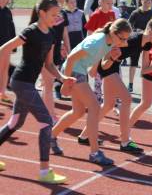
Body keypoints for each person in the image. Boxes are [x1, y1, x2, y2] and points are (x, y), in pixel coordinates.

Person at [0, 0, 75, 183]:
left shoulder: (50, 35)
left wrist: (63, 77)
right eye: (53, 14)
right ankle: (44, 172)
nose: (56, 18)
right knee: (46, 122)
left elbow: (49, 65)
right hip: (21, 81)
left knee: (15, 123)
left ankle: (44, 171)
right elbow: (5, 48)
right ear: (41, 13)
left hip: (27, 83)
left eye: (58, 14)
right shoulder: (31, 31)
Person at [51, 19, 132, 165]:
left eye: (126, 39)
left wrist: (113, 58)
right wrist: (65, 82)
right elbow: (70, 59)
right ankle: (95, 152)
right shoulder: (96, 42)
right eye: (122, 39)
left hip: (80, 71)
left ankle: (50, 136)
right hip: (73, 71)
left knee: (78, 111)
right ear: (114, 33)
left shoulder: (111, 41)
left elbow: (104, 65)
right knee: (94, 107)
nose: (124, 42)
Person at [79, 17, 152, 152]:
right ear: (149, 30)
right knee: (127, 98)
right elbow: (106, 52)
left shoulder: (148, 43)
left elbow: (144, 69)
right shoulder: (132, 39)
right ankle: (125, 141)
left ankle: (85, 135)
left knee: (108, 105)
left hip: (114, 66)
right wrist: (95, 67)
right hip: (107, 66)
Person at [85, 0, 116, 103]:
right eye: (108, 3)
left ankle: (113, 100)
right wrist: (90, 48)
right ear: (101, 2)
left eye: (112, 3)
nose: (111, 6)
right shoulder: (95, 15)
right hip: (98, 48)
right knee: (98, 74)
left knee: (110, 71)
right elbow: (89, 32)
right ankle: (97, 98)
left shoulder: (112, 13)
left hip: (109, 47)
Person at [127, 0, 152, 92]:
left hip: (148, 41)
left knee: (146, 62)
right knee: (133, 62)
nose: (147, 3)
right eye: (145, 1)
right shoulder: (135, 13)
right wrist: (134, 33)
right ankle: (130, 84)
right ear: (141, 1)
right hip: (136, 40)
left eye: (149, 2)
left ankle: (147, 81)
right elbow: (128, 26)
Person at [0, 0, 16, 103]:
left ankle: (3, 93)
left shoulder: (7, 11)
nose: (4, 0)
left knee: (5, 69)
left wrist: (13, 45)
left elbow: (11, 28)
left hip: (6, 44)